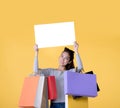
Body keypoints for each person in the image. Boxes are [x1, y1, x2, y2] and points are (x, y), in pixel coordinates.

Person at [33, 41, 83, 108]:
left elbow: (80, 67)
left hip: (67, 104)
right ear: (59, 57)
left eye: (66, 58)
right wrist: (36, 53)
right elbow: (35, 71)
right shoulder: (51, 71)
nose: (63, 59)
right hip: (54, 104)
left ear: (69, 61)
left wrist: (76, 51)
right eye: (62, 56)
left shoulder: (69, 72)